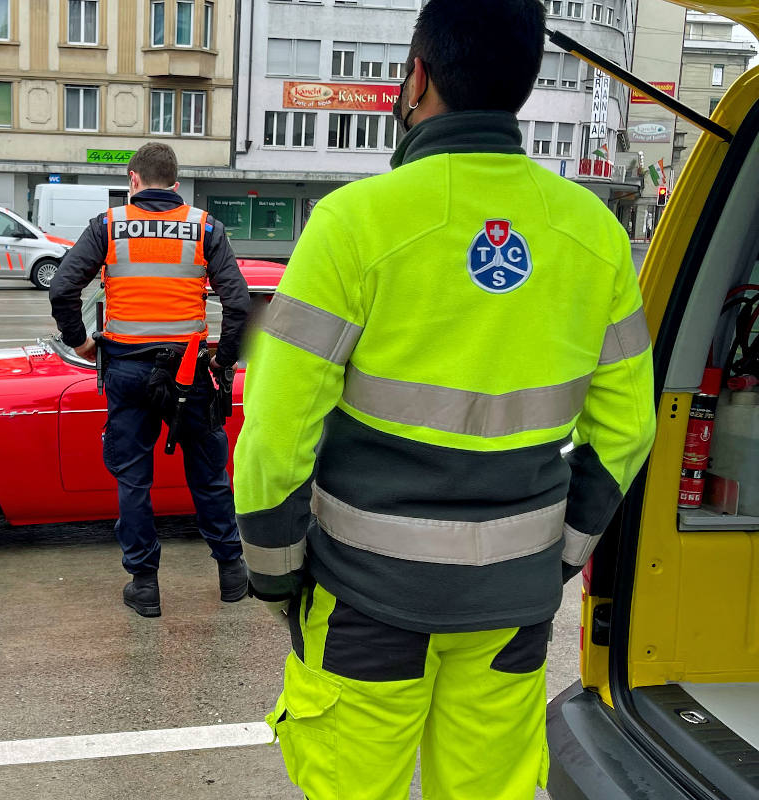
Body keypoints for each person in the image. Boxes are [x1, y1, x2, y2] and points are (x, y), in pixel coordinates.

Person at [233, 1, 657, 797]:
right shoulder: (594, 233)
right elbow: (627, 432)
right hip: (512, 604)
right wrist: (556, 559)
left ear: (417, 77)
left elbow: (274, 436)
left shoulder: (354, 223)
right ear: (525, 86)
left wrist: (276, 574)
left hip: (365, 602)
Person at [49, 142, 252, 618]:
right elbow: (239, 304)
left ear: (133, 181)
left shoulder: (108, 226)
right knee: (208, 475)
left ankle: (145, 587)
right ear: (176, 186)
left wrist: (81, 344)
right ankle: (232, 573)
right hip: (189, 373)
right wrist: (221, 360)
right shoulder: (205, 227)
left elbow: (62, 287)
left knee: (133, 479)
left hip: (127, 370)